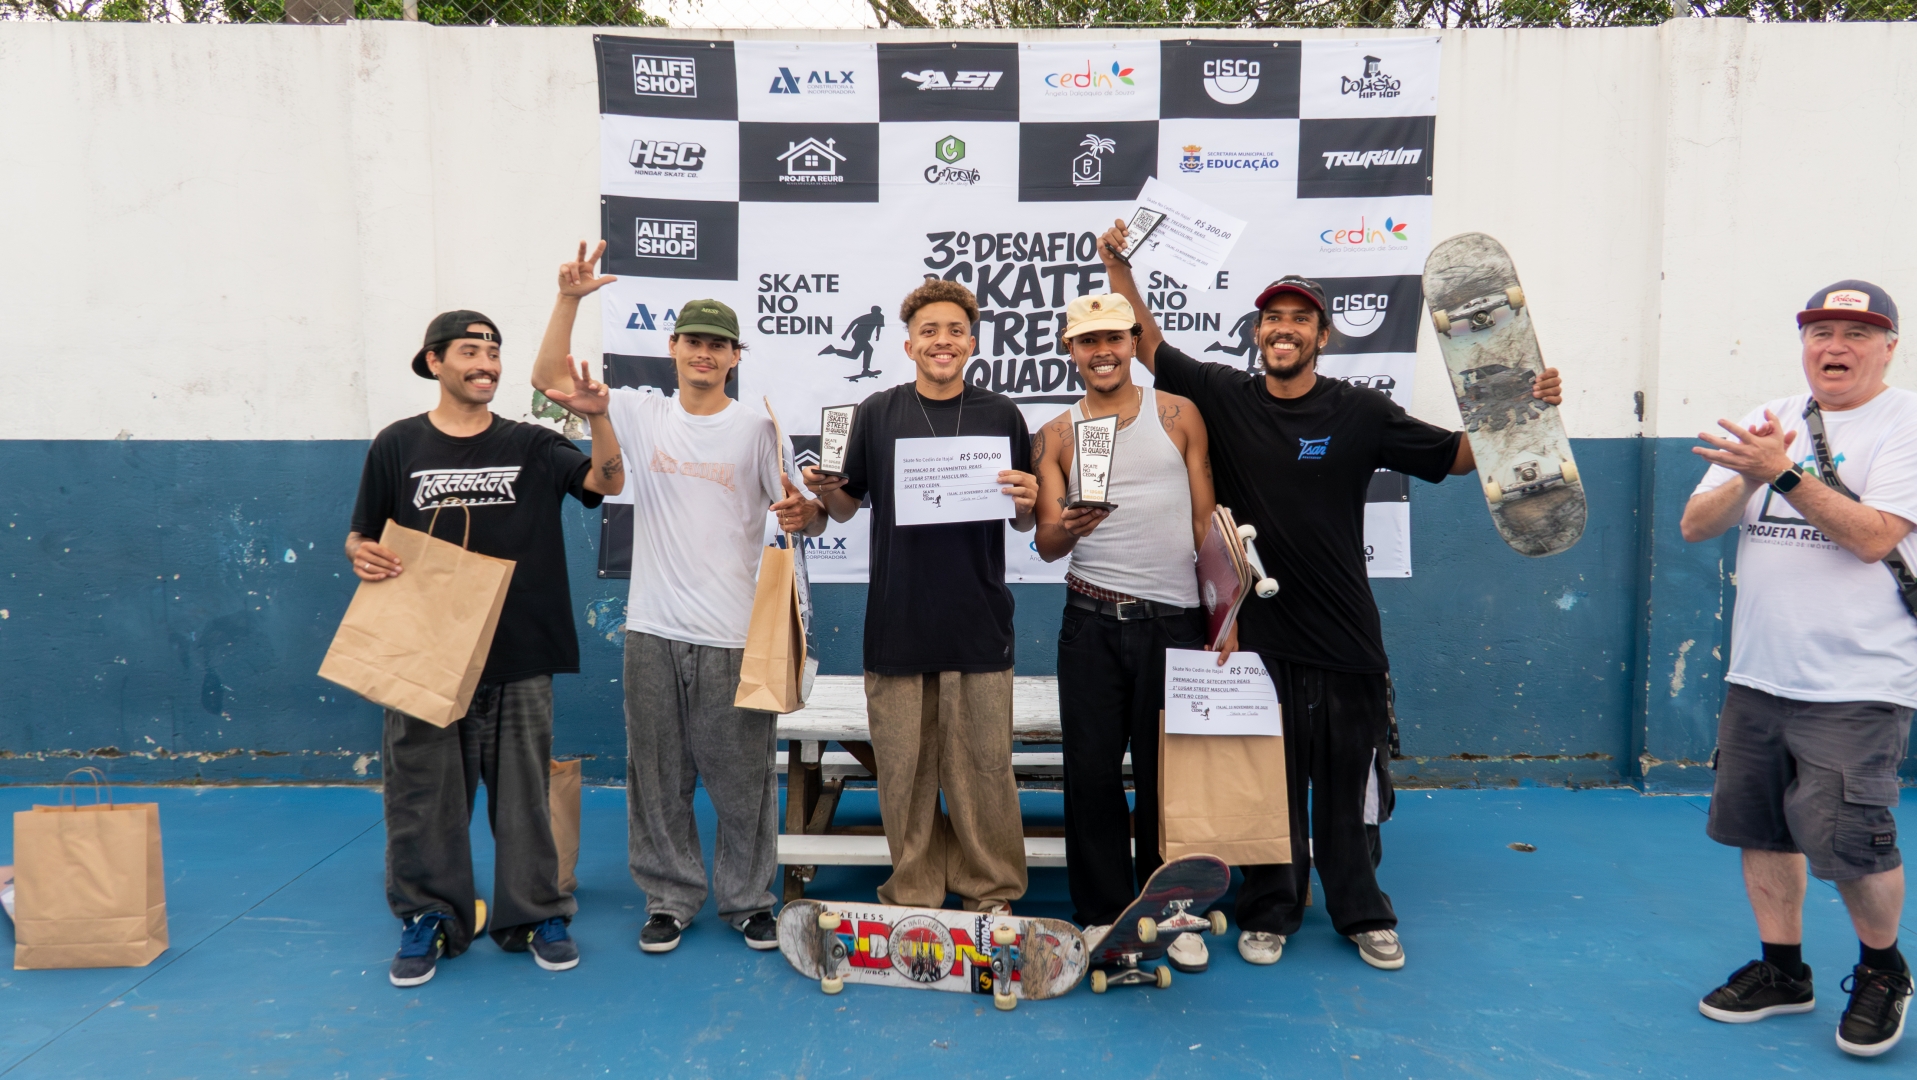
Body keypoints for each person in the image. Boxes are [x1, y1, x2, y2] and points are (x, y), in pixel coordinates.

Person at [1098, 218, 1562, 972]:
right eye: (1273, 320)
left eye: (1300, 321)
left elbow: (1454, 457)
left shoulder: (1359, 411)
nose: (1284, 331)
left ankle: (1361, 910)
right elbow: (1147, 344)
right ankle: (1271, 909)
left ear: (1321, 336)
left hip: (1346, 633)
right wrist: (1120, 264)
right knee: (1269, 785)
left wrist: (1525, 405)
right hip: (1258, 635)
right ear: (1258, 333)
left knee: (1349, 788)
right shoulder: (1224, 395)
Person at [530, 242, 825, 956]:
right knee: (655, 777)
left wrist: (801, 516)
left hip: (733, 636)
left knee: (742, 782)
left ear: (734, 356)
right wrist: (569, 299)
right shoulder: (635, 411)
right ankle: (669, 897)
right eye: (693, 340)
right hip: (653, 630)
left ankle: (748, 900)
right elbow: (546, 381)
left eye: (717, 344)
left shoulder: (757, 427)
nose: (703, 353)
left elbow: (804, 511)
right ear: (672, 348)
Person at [347, 306, 625, 987]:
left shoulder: (530, 445)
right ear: (433, 362)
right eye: (470, 350)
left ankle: (535, 913)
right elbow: (361, 532)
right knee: (422, 796)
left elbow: (606, 483)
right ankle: (429, 917)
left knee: (524, 796)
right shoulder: (396, 445)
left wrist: (597, 418)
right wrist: (359, 552)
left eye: (494, 351)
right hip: (423, 652)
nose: (487, 363)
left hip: (519, 649)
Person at [1679, 280, 1915, 1058]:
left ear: (1887, 347)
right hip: (1758, 672)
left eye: (1855, 333)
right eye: (1820, 332)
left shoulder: (1904, 422)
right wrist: (1748, 473)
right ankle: (1783, 971)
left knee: (1849, 838)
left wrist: (1779, 473)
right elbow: (1694, 524)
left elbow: (1874, 537)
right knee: (1763, 827)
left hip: (1857, 680)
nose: (1834, 347)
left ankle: (1882, 971)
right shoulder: (1767, 419)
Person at [802, 279, 1039, 913]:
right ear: (908, 345)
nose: (942, 340)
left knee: (984, 770)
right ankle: (914, 890)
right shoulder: (878, 411)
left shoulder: (1002, 415)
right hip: (898, 622)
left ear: (972, 342)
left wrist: (1029, 501)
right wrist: (824, 488)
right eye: (929, 331)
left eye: (955, 330)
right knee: (904, 774)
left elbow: (1021, 520)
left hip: (979, 621)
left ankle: (991, 890)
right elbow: (847, 510)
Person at [1029, 293, 1217, 972]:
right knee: (1091, 775)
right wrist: (1066, 527)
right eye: (1086, 341)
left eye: (1113, 337)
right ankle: (1105, 911)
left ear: (1134, 341)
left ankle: (1171, 911)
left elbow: (1205, 525)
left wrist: (1223, 614)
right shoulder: (1054, 434)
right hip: (1090, 622)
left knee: (1170, 777)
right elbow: (1048, 545)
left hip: (1174, 623)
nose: (1101, 351)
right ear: (1068, 350)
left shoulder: (1179, 415)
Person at [820, 305, 887, 382]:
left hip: (864, 337)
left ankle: (833, 350)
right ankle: (865, 370)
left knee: (854, 355)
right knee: (869, 349)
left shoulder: (880, 317)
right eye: (875, 312)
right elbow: (854, 322)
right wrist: (845, 334)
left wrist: (877, 335)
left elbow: (878, 326)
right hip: (858, 334)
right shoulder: (867, 317)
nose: (876, 313)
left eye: (878, 312)